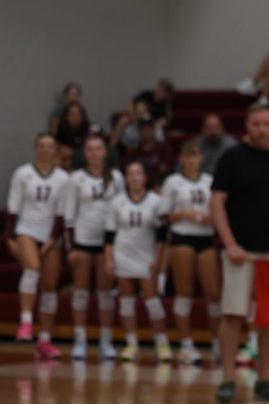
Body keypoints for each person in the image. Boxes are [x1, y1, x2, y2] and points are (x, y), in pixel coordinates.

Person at [210, 104, 269, 404]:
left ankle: (264, 379)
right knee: (233, 314)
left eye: (267, 123)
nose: (262, 129)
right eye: (256, 124)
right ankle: (227, 378)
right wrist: (229, 243)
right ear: (247, 126)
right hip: (241, 252)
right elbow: (216, 203)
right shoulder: (232, 158)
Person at [5, 134, 70, 355]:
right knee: (32, 268)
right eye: (41, 146)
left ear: (56, 150)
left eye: (49, 146)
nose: (45, 150)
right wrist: (9, 239)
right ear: (35, 149)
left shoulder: (63, 178)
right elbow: (13, 209)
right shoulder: (22, 173)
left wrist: (51, 241)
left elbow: (62, 215)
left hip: (51, 234)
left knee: (50, 287)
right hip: (27, 229)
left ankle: (44, 340)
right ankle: (25, 322)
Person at [64, 135, 124, 360]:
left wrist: (117, 246)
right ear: (85, 153)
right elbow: (69, 216)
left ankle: (105, 341)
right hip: (82, 241)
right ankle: (80, 341)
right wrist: (71, 248)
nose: (94, 153)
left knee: (105, 293)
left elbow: (121, 210)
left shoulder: (116, 178)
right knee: (80, 292)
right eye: (90, 149)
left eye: (98, 149)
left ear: (105, 152)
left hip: (106, 243)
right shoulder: (76, 178)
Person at [104, 161, 171, 363]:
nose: (135, 177)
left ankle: (162, 343)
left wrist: (157, 259)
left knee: (153, 301)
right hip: (122, 254)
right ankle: (131, 343)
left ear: (145, 177)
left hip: (146, 256)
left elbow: (162, 236)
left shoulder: (155, 201)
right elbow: (109, 235)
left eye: (138, 173)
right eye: (131, 173)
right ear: (126, 178)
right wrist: (109, 259)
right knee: (126, 301)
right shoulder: (117, 202)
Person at [161, 142, 221, 365]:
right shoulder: (172, 182)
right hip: (182, 237)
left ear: (201, 158)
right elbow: (165, 215)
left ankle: (217, 343)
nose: (192, 160)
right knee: (184, 291)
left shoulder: (209, 181)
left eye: (195, 156)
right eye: (187, 156)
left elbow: (219, 209)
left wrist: (210, 217)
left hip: (205, 237)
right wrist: (184, 213)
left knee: (213, 293)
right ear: (181, 159)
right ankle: (186, 344)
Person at [119, 116, 175, 190]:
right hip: (139, 189)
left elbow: (171, 173)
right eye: (143, 129)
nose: (146, 131)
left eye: (149, 128)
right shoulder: (132, 154)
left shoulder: (165, 149)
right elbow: (127, 174)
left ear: (154, 129)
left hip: (163, 188)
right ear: (139, 131)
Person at [53, 101, 92, 170]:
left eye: (78, 114)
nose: (75, 117)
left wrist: (72, 152)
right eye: (72, 114)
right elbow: (57, 144)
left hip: (83, 157)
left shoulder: (87, 128)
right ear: (66, 116)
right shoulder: (61, 128)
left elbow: (89, 147)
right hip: (65, 158)